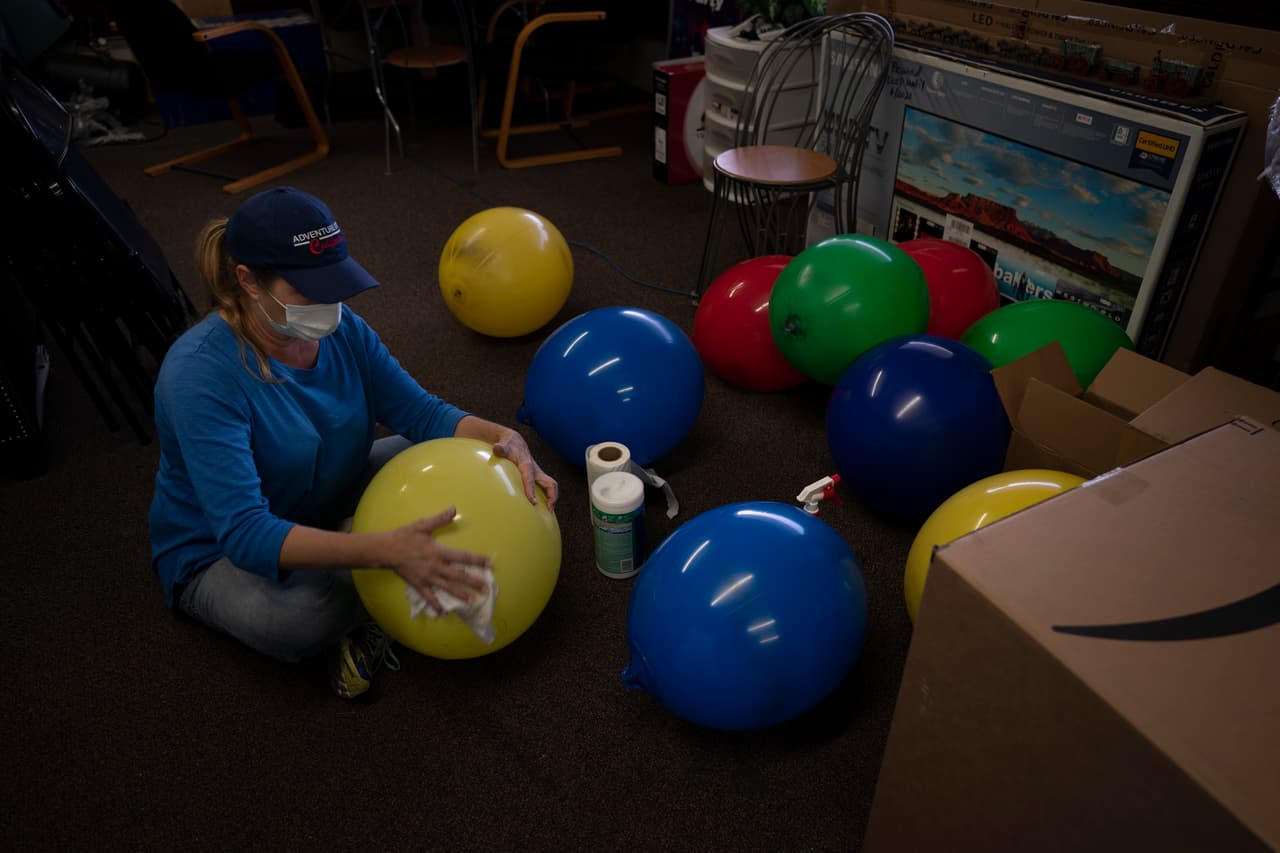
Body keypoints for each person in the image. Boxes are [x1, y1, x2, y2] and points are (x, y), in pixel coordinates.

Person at [149, 186, 559, 699]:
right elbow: (245, 533)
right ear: (249, 281)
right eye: (309, 290)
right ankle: (370, 581)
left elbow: (422, 414)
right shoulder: (198, 375)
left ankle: (368, 565)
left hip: (325, 487)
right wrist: (382, 551)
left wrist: (503, 437)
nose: (329, 305)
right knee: (305, 617)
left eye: (334, 285)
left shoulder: (342, 331)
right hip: (219, 550)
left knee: (448, 455)